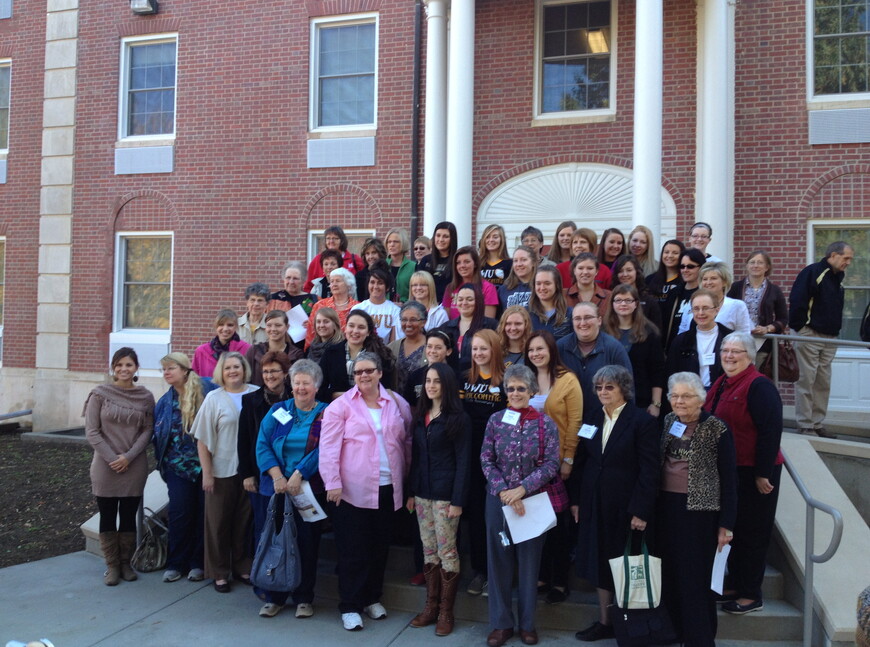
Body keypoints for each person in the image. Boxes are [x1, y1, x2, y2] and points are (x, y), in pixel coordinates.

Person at [320, 351, 413, 631]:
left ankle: (372, 598)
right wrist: (332, 482)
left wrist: (406, 479)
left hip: (388, 488)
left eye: (369, 370)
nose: (363, 376)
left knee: (379, 548)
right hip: (352, 491)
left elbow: (406, 442)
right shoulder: (341, 407)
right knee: (353, 551)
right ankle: (350, 605)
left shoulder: (397, 403)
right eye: (358, 372)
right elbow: (329, 448)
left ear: (380, 373)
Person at [570, 366, 659, 642]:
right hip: (594, 503)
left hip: (626, 508)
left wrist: (641, 510)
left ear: (623, 389)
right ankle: (605, 621)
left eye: (609, 387)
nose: (603, 392)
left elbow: (650, 470)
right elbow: (582, 460)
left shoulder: (640, 421)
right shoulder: (593, 417)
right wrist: (576, 500)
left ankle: (630, 625)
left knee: (624, 565)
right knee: (599, 563)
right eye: (599, 388)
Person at [480, 364, 560, 647]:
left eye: (521, 388)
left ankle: (527, 624)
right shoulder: (495, 420)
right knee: (498, 563)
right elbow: (486, 459)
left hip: (531, 502)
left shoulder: (546, 424)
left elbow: (552, 463)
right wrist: (504, 491)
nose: (515, 393)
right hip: (498, 500)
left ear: (532, 391)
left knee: (529, 565)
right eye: (510, 388)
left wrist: (523, 489)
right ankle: (501, 624)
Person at [706, 332, 784, 616]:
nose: (729, 355)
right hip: (731, 469)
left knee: (753, 533)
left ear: (749, 355)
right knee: (735, 530)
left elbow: (771, 431)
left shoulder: (759, 386)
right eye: (725, 350)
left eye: (736, 351)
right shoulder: (723, 382)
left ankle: (752, 593)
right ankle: (736, 584)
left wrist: (763, 474)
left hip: (755, 472)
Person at [658, 371, 736, 646]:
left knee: (695, 577)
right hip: (667, 507)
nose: (680, 401)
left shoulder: (717, 428)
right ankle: (677, 630)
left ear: (701, 399)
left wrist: (726, 524)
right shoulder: (668, 421)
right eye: (675, 396)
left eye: (687, 396)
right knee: (672, 573)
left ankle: (700, 638)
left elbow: (729, 479)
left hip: (701, 512)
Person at [255, 359, 330, 619]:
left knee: (307, 545)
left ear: (316, 387)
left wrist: (300, 473)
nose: (300, 388)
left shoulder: (325, 413)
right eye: (297, 382)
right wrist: (276, 475)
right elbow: (262, 443)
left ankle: (304, 598)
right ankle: (274, 596)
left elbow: (326, 448)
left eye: (306, 383)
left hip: (308, 490)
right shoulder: (279, 410)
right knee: (276, 542)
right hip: (276, 489)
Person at [406, 363, 472, 636]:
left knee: (447, 551)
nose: (431, 385)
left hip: (446, 497)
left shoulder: (458, 418)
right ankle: (430, 607)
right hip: (422, 494)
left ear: (446, 385)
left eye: (437, 381)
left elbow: (464, 462)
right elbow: (416, 458)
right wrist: (411, 492)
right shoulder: (421, 414)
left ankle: (446, 611)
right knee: (428, 549)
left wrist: (458, 500)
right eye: (428, 381)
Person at [84, 347, 155, 586]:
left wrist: (128, 457)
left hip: (134, 465)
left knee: (127, 516)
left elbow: (147, 430)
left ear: (136, 368)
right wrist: (113, 457)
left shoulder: (145, 397)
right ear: (113, 367)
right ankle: (112, 566)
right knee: (107, 516)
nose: (124, 369)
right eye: (120, 364)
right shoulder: (99, 394)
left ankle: (126, 563)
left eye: (129, 365)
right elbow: (92, 431)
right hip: (105, 466)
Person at [191, 351, 258, 593]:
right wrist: (207, 474)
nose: (233, 371)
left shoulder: (255, 393)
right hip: (221, 471)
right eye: (228, 367)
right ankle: (219, 572)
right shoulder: (214, 399)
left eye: (237, 367)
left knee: (242, 524)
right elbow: (202, 441)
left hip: (249, 472)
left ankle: (241, 566)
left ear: (244, 370)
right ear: (222, 371)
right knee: (217, 524)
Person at [524, 330, 582, 604]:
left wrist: (568, 459)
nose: (536, 354)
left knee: (557, 527)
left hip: (556, 465)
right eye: (532, 350)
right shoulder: (524, 378)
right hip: (527, 468)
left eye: (540, 349)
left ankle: (559, 581)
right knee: (536, 526)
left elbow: (574, 423)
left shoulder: (568, 380)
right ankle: (542, 576)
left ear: (551, 350)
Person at [153, 352, 218, 584]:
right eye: (164, 370)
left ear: (184, 370)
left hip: (206, 467)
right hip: (177, 469)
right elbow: (158, 435)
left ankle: (198, 563)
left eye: (171, 368)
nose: (167, 373)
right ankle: (175, 563)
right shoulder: (164, 402)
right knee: (180, 514)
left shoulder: (207, 390)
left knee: (203, 515)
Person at [788, 241, 854, 438]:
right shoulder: (814, 272)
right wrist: (801, 328)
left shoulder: (838, 278)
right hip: (810, 334)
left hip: (830, 337)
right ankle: (805, 424)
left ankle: (817, 423)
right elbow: (797, 300)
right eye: (846, 258)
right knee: (806, 380)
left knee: (822, 382)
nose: (848, 262)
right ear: (833, 255)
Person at [236, 351, 292, 578]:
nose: (269, 375)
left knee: (287, 528)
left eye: (274, 371)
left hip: (290, 474)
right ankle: (265, 577)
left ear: (285, 373)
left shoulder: (295, 397)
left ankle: (288, 573)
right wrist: (246, 474)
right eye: (265, 371)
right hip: (262, 476)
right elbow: (244, 439)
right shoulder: (251, 400)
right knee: (264, 526)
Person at [460, 329, 507, 599]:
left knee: (496, 519)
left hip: (498, 460)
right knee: (477, 517)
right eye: (475, 348)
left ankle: (498, 573)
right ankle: (481, 571)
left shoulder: (506, 380)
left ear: (495, 350)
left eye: (484, 349)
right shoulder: (464, 378)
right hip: (470, 458)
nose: (478, 353)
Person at [604, 284, 666, 414]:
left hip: (641, 400)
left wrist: (656, 403)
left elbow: (657, 371)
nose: (623, 304)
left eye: (628, 300)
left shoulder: (650, 332)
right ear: (612, 304)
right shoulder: (603, 332)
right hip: (609, 400)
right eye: (618, 300)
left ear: (636, 304)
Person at [556, 302, 632, 408]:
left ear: (599, 320)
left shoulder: (614, 348)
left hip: (605, 419)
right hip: (568, 418)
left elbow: (628, 389)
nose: (583, 323)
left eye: (588, 317)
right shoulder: (560, 347)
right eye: (577, 318)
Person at [317, 309, 396, 401]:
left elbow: (386, 389)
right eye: (351, 326)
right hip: (339, 407)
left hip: (371, 407)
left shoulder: (380, 354)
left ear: (368, 332)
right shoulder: (331, 353)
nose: (355, 331)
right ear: (345, 328)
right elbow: (320, 388)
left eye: (361, 327)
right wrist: (344, 396)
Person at [728, 250, 788, 369]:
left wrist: (767, 329)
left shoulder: (775, 290)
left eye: (760, 263)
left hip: (763, 343)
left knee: (757, 377)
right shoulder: (735, 287)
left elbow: (783, 318)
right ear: (747, 265)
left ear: (767, 267)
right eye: (752, 262)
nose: (755, 265)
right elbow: (727, 311)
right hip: (737, 342)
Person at [666, 289, 732, 391]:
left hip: (722, 394)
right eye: (696, 309)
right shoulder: (681, 341)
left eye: (705, 308)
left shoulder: (731, 338)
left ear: (717, 310)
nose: (701, 313)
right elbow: (671, 373)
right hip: (689, 395)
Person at [438, 283, 498, 374]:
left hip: (480, 379)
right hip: (451, 378)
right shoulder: (445, 328)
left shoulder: (491, 326)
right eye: (460, 299)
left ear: (478, 301)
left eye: (469, 299)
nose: (464, 303)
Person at [678, 262, 751, 335]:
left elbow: (745, 336)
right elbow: (682, 332)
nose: (708, 282)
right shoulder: (691, 304)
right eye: (705, 279)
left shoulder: (737, 306)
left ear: (724, 282)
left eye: (713, 278)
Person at [304, 267, 360, 349]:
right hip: (322, 351)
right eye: (332, 281)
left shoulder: (358, 307)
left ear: (349, 285)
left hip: (351, 350)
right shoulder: (320, 305)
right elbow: (311, 332)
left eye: (338, 281)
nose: (334, 284)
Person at [245, 310, 304, 386]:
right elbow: (245, 379)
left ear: (287, 327)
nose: (273, 329)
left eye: (278, 325)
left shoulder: (296, 354)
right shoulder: (254, 351)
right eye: (269, 325)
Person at [663, 247, 706, 349]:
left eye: (690, 266)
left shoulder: (706, 295)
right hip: (674, 349)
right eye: (682, 266)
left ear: (701, 268)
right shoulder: (674, 293)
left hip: (698, 349)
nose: (685, 270)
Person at [442, 246, 499, 319]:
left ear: (475, 264)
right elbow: (446, 319)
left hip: (478, 329)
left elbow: (488, 322)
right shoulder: (450, 288)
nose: (462, 266)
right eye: (458, 263)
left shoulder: (488, 288)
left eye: (467, 262)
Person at [404, 328, 457, 407]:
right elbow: (410, 406)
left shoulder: (455, 376)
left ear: (448, 351)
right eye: (429, 346)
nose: (432, 351)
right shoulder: (415, 376)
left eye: (438, 348)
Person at [192, 309, 252, 378]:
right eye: (221, 325)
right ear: (216, 327)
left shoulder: (247, 349)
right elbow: (194, 380)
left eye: (230, 325)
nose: (225, 329)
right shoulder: (201, 351)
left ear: (236, 327)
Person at [352, 262, 402, 343]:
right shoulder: (358, 308)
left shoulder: (395, 310)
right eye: (372, 282)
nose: (375, 286)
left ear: (387, 287)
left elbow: (394, 342)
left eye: (380, 283)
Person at [304, 226, 365, 292]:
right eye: (328, 238)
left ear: (342, 240)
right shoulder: (318, 259)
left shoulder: (354, 259)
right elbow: (308, 286)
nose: (331, 241)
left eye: (335, 238)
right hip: (322, 300)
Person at [610, 254, 663, 331]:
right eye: (620, 271)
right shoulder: (611, 297)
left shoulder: (649, 300)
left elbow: (657, 330)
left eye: (629, 270)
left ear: (636, 272)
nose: (625, 274)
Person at [388, 301, 428, 394]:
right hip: (395, 403)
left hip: (422, 404)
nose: (408, 324)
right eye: (404, 320)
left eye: (413, 320)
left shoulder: (431, 347)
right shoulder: (391, 348)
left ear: (423, 322)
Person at [527, 265, 572, 339]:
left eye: (547, 283)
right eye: (538, 283)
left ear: (557, 285)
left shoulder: (569, 314)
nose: (542, 288)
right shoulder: (526, 313)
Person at [417, 221, 458, 302]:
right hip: (428, 305)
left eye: (445, 236)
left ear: (452, 239)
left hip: (450, 305)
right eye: (438, 235)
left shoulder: (457, 260)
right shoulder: (425, 260)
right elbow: (418, 283)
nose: (441, 239)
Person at [646, 239, 686, 305]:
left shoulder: (685, 281)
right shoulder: (649, 279)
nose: (670, 256)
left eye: (675, 253)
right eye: (666, 252)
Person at [498, 245, 537, 310]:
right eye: (515, 261)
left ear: (533, 262)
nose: (519, 264)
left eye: (523, 260)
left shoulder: (540, 287)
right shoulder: (503, 290)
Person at [384, 228, 416, 303]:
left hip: (406, 308)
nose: (392, 244)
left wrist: (405, 304)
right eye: (389, 242)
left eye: (396, 242)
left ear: (403, 243)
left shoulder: (413, 266)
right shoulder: (382, 265)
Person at [478, 224, 513, 289]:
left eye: (495, 237)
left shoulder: (510, 264)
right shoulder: (477, 264)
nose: (491, 240)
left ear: (501, 240)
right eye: (487, 237)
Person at [355, 238, 389, 302]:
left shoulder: (387, 273)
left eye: (374, 253)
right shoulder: (359, 276)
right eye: (367, 254)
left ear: (380, 254)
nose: (370, 257)